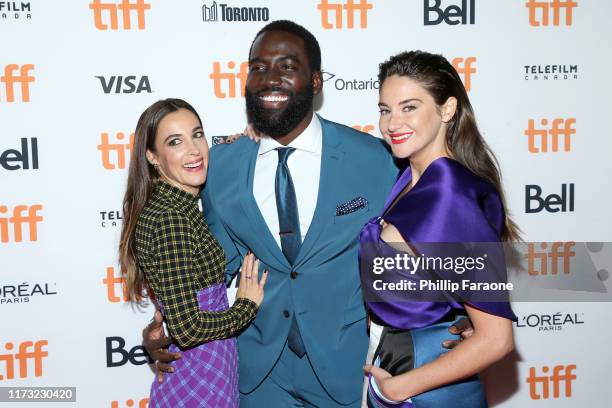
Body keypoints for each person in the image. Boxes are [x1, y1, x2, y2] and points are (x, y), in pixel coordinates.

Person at [144, 22, 474, 407]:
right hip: (257, 377)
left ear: (316, 81)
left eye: (287, 66)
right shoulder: (220, 167)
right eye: (258, 67)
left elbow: (449, 223)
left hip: (348, 371)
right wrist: (160, 323)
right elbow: (205, 269)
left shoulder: (375, 160)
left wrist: (474, 310)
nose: (270, 79)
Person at [360, 51, 518, 407]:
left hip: (424, 384)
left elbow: (496, 339)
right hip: (397, 363)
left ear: (447, 110)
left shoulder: (447, 191)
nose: (392, 123)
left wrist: (398, 389)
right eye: (385, 110)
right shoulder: (409, 179)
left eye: (409, 107)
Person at [118, 98, 266, 408]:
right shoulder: (171, 217)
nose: (194, 149)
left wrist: (232, 151)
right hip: (200, 372)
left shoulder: (177, 206)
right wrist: (246, 306)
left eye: (197, 134)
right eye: (175, 142)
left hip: (206, 366)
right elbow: (188, 329)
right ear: (153, 157)